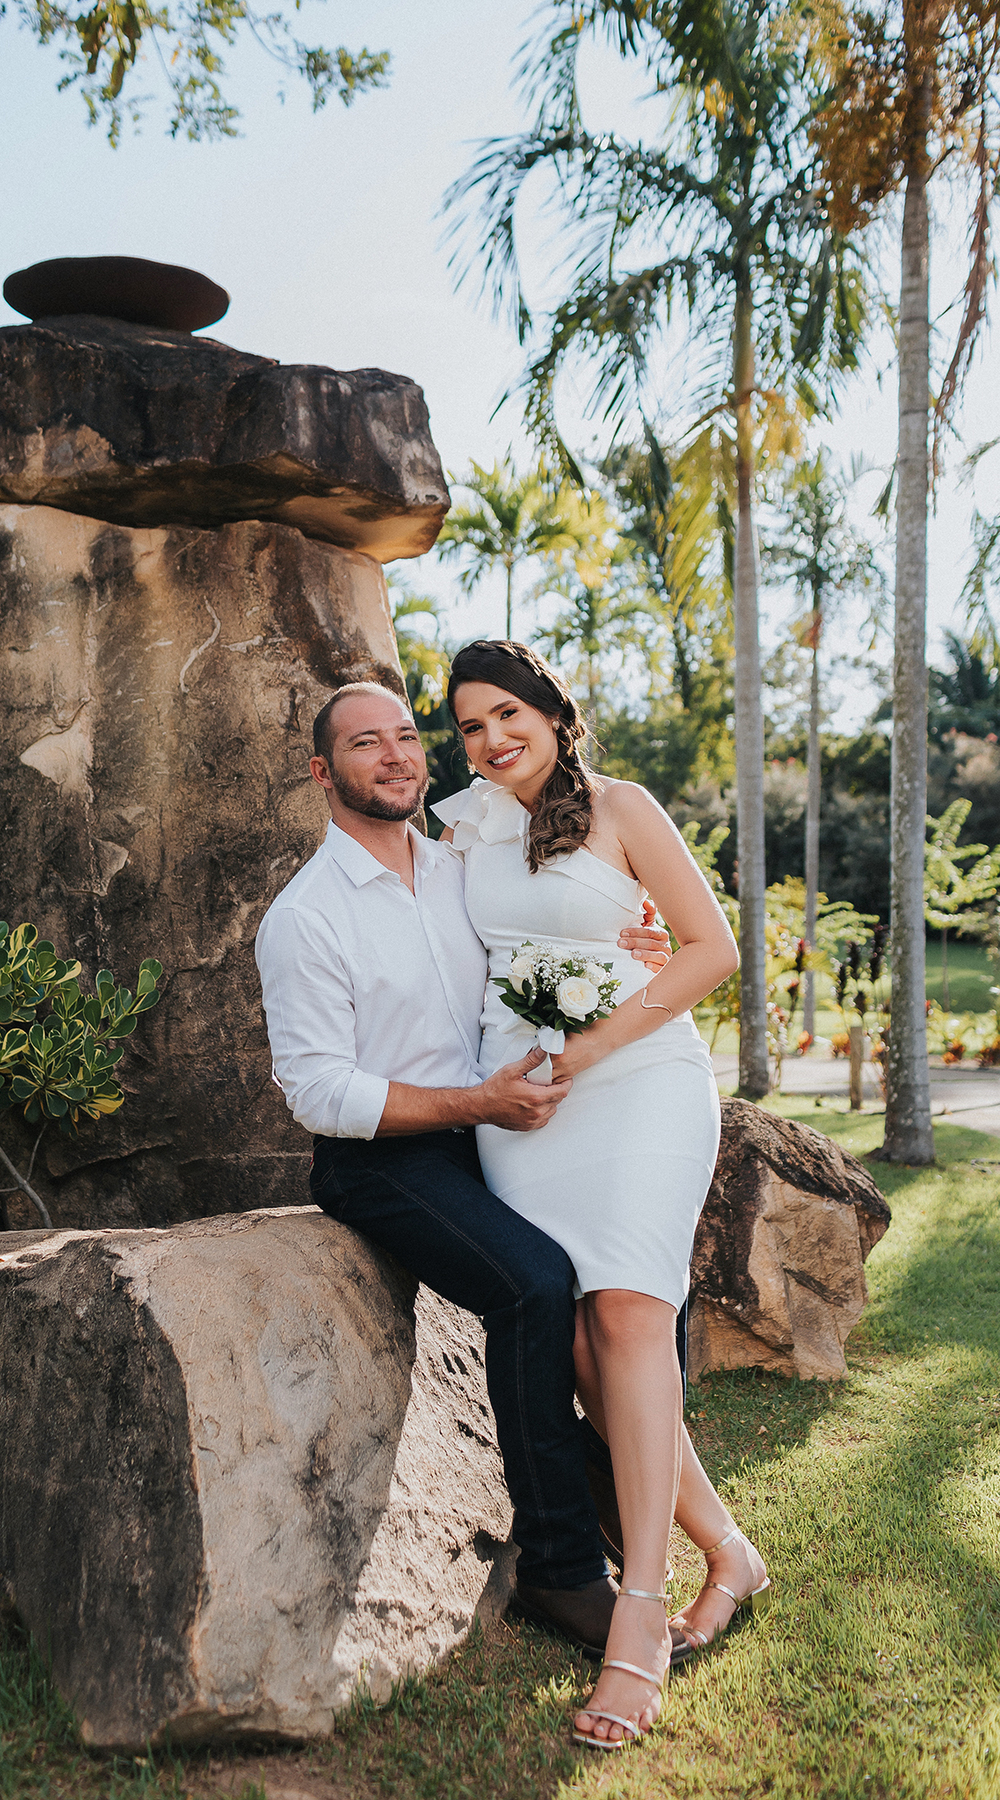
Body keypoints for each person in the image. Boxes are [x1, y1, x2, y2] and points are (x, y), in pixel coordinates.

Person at [254, 678, 681, 1663]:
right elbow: (318, 1093)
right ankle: (561, 1567)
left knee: (631, 1269)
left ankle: (615, 1486)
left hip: (499, 1131)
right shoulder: (306, 917)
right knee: (534, 1286)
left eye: (407, 737)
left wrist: (629, 944)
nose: (398, 755)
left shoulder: (461, 866)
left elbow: (541, 950)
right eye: (368, 744)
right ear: (325, 773)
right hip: (385, 1158)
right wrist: (474, 1107)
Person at [434, 639, 770, 1753]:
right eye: (471, 726)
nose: (490, 740)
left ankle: (641, 1611)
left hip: (636, 1083)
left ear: (551, 713)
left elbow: (710, 950)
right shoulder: (460, 827)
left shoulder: (624, 807)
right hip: (525, 1112)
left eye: (505, 715)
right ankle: (730, 1548)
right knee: (583, 1348)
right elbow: (447, 954)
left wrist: (587, 1043)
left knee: (631, 1314)